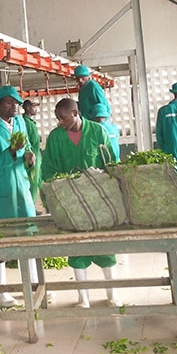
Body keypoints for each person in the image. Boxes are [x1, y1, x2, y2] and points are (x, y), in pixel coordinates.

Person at [41, 98, 122, 308]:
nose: (60, 123)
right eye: (58, 119)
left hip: (98, 198)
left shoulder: (98, 132)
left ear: (76, 112)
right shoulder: (56, 137)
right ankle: (83, 298)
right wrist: (51, 198)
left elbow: (110, 162)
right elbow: (48, 168)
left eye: (63, 118)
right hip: (71, 201)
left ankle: (112, 295)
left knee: (104, 244)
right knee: (76, 247)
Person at [0, 85, 38, 306]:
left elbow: (27, 146)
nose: (15, 107)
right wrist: (12, 151)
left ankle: (33, 283)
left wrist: (29, 157)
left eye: (17, 103)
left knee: (28, 235)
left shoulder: (20, 122)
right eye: (9, 103)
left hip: (21, 188)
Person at [22, 99, 43, 205]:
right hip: (32, 158)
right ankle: (31, 208)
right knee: (33, 184)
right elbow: (25, 141)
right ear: (28, 108)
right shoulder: (24, 122)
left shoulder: (31, 122)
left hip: (38, 157)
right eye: (34, 107)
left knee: (41, 183)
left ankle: (48, 206)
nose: (35, 109)